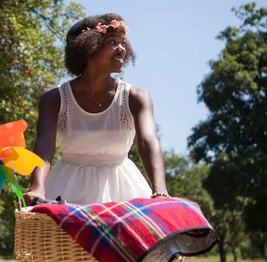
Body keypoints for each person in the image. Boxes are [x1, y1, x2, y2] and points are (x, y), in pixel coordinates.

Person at [24, 13, 169, 205]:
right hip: (66, 191)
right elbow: (44, 146)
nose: (121, 49)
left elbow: (148, 141)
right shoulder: (54, 98)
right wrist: (37, 187)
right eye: (112, 42)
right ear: (88, 47)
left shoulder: (136, 97)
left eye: (122, 43)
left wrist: (160, 191)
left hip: (123, 191)